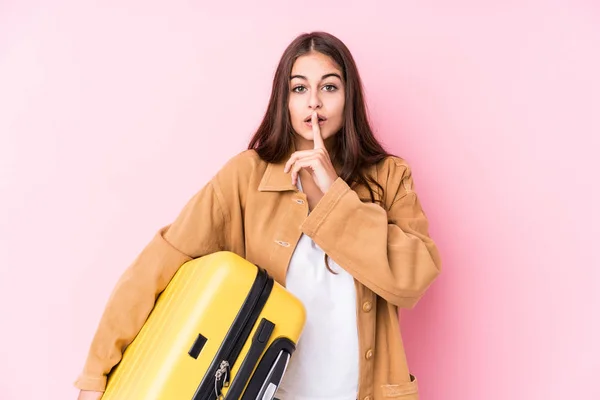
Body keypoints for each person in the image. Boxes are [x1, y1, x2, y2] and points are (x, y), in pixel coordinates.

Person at [75, 31, 442, 400]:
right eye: (299, 89)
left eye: (329, 87)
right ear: (283, 99)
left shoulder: (390, 176)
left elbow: (414, 276)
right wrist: (97, 373)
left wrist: (335, 196)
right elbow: (160, 263)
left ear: (349, 97)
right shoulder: (246, 177)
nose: (314, 103)